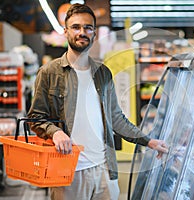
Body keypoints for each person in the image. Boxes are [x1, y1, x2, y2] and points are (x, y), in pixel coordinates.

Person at [27, 3, 168, 200]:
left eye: (88, 27)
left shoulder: (103, 73)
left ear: (94, 33)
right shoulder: (50, 73)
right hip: (69, 172)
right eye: (76, 27)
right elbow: (35, 117)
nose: (82, 32)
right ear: (66, 31)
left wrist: (148, 141)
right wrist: (55, 132)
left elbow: (116, 119)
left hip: (104, 170)